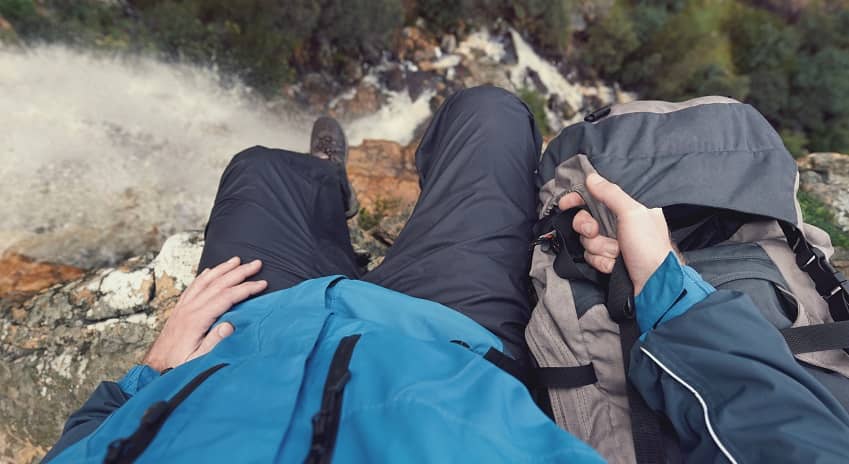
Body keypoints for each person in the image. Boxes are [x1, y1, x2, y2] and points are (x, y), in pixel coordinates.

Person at [43, 86, 849, 463]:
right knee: (489, 114)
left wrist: (142, 384)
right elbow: (795, 442)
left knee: (260, 169)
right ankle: (387, 178)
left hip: (241, 343)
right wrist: (664, 288)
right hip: (447, 341)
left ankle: (328, 184)